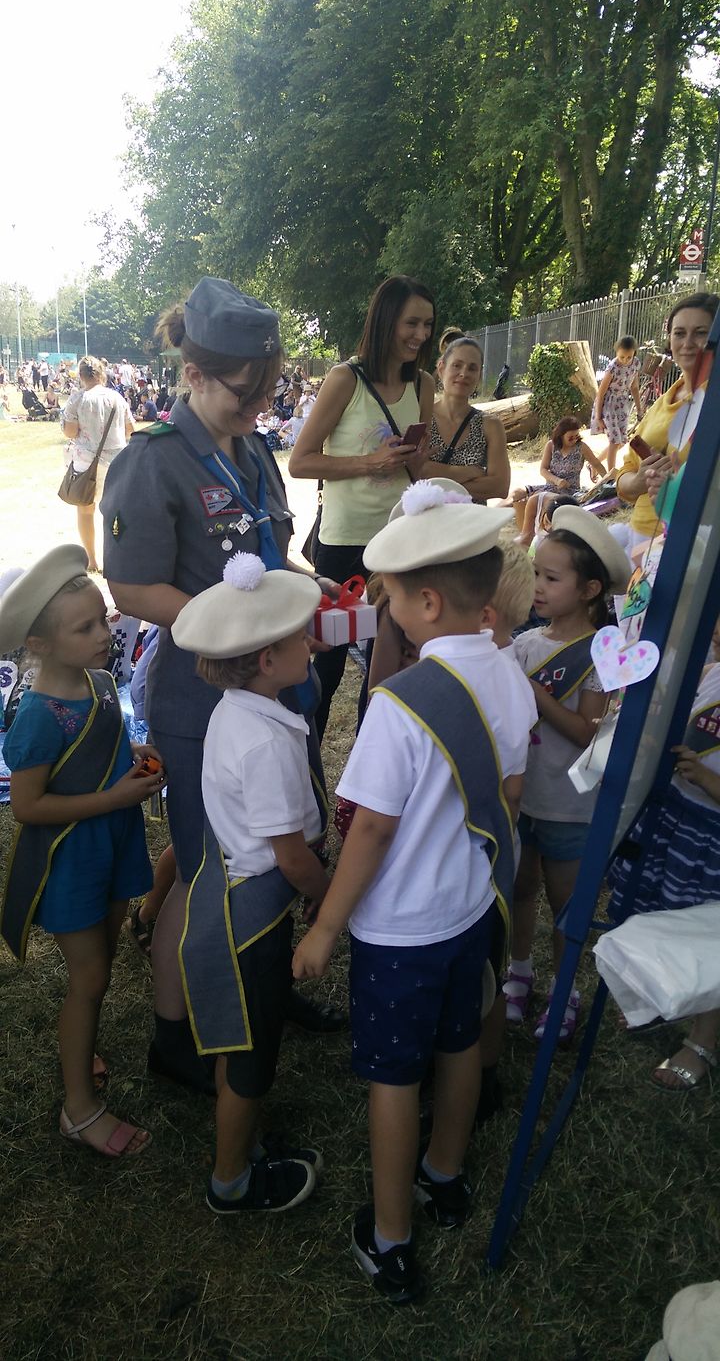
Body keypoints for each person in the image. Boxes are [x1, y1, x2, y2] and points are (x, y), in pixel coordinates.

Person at [293, 482, 537, 1303]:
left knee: (394, 1077)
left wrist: (325, 928)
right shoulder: (510, 673)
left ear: (427, 602)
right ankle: (445, 1172)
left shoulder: (399, 704)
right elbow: (509, 791)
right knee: (460, 1043)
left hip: (400, 928)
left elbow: (370, 829)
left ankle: (391, 1236)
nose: (386, 609)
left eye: (392, 595)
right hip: (470, 909)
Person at [101, 277, 341, 1096]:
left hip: (276, 683)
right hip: (204, 696)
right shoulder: (151, 460)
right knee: (210, 868)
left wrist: (307, 590)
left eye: (269, 389)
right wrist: (238, 629)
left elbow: (270, 553)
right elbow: (132, 587)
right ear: (194, 372)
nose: (261, 406)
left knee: (281, 843)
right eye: (247, 392)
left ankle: (269, 980)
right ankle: (175, 1037)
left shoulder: (254, 448)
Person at [171, 554, 330, 1212]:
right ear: (267, 660)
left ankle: (246, 1144)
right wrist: (325, 894)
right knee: (251, 1057)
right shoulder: (264, 743)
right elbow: (290, 856)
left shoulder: (239, 711)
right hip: (253, 919)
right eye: (299, 637)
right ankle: (231, 1179)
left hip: (237, 895)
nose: (311, 642)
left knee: (239, 1041)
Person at [0, 546, 164, 1157]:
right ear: (38, 644)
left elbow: (104, 751)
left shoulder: (98, 684)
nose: (104, 635)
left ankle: (81, 1037)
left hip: (112, 844)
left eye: (103, 619)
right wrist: (115, 797)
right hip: (71, 858)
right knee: (89, 975)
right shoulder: (39, 717)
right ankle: (79, 1108)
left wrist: (136, 760)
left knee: (104, 955)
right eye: (85, 628)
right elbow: (27, 807)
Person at [289, 274, 436, 740]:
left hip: (398, 543)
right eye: (411, 323)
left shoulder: (423, 384)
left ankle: (369, 765)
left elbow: (418, 468)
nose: (420, 335)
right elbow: (300, 461)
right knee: (327, 666)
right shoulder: (345, 379)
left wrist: (416, 460)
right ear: (386, 320)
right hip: (344, 545)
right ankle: (307, 761)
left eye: (428, 325)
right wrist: (370, 462)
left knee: (384, 664)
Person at [505, 507, 630, 1043]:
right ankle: (518, 972)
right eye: (535, 572)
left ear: (590, 589)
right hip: (521, 795)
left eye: (551, 578)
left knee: (565, 903)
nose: (537, 586)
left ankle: (564, 990)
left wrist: (533, 693)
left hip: (568, 804)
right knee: (519, 887)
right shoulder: (524, 643)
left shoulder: (602, 653)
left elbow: (586, 732)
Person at [607, 619, 720, 1091]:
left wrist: (708, 780)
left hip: (713, 838)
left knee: (707, 938)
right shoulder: (711, 673)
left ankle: (702, 1041)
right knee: (659, 913)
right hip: (677, 817)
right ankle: (660, 997)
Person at [612, 292, 720, 558]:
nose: (688, 343)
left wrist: (680, 485)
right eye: (679, 333)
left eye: (701, 333)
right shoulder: (662, 403)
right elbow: (624, 474)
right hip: (639, 538)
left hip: (689, 547)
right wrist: (638, 481)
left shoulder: (714, 402)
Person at [61, 356, 135, 573]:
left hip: (86, 462)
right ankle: (116, 558)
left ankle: (92, 560)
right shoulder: (117, 398)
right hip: (116, 462)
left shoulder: (77, 399)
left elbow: (70, 432)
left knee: (86, 511)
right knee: (115, 512)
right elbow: (131, 429)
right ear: (102, 374)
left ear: (81, 376)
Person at [426, 337, 511, 502]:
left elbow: (500, 487)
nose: (464, 374)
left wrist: (435, 481)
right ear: (441, 368)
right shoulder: (422, 418)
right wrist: (470, 472)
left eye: (472, 368)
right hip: (428, 518)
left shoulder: (490, 425)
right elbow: (416, 474)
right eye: (457, 365)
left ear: (479, 376)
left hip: (472, 518)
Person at [513, 419, 605, 548]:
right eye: (570, 437)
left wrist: (608, 479)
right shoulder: (551, 446)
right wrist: (557, 480)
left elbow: (596, 464)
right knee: (518, 493)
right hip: (551, 486)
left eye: (576, 436)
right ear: (561, 435)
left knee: (538, 500)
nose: (574, 439)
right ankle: (523, 532)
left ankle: (531, 537)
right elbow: (543, 470)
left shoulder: (581, 447)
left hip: (571, 490)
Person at [591, 335, 641, 472]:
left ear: (634, 353)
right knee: (614, 441)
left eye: (629, 357)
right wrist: (598, 417)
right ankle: (611, 475)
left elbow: (634, 387)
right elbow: (601, 393)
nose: (625, 360)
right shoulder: (613, 367)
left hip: (622, 404)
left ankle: (594, 464)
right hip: (608, 405)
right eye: (621, 357)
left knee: (621, 441)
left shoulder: (635, 364)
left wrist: (639, 409)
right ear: (616, 353)